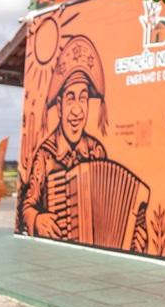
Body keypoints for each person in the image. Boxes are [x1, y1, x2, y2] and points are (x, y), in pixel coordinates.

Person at [20, 35, 108, 241]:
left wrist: (136, 230)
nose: (77, 110)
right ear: (59, 106)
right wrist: (37, 218)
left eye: (83, 98)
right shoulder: (46, 155)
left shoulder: (97, 151)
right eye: (71, 99)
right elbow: (27, 205)